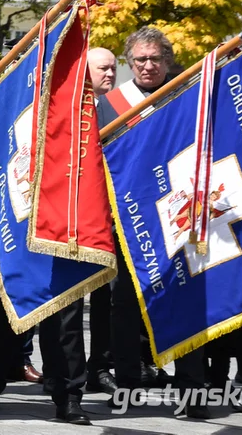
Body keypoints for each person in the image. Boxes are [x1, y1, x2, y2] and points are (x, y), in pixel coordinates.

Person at [97, 27, 209, 419]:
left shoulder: (188, 96)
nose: (148, 66)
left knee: (191, 300)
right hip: (130, 223)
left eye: (155, 59)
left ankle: (192, 388)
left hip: (182, 218)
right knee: (125, 306)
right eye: (141, 59)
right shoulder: (109, 106)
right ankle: (127, 383)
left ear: (167, 61)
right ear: (130, 63)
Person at [85, 47, 117, 396]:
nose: (109, 74)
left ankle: (101, 365)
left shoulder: (119, 107)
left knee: (106, 299)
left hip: (111, 215)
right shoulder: (72, 109)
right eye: (102, 69)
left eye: (112, 68)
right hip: (76, 214)